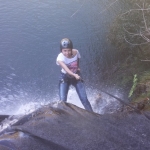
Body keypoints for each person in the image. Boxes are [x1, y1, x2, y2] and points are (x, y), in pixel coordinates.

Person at [56, 38, 93, 112]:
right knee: (62, 101)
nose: (67, 53)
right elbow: (66, 69)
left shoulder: (76, 52)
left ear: (72, 49)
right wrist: (74, 75)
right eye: (65, 51)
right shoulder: (60, 58)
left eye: (69, 50)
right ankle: (63, 117)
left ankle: (93, 114)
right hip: (65, 77)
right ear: (61, 50)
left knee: (84, 99)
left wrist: (78, 67)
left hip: (76, 76)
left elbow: (78, 59)